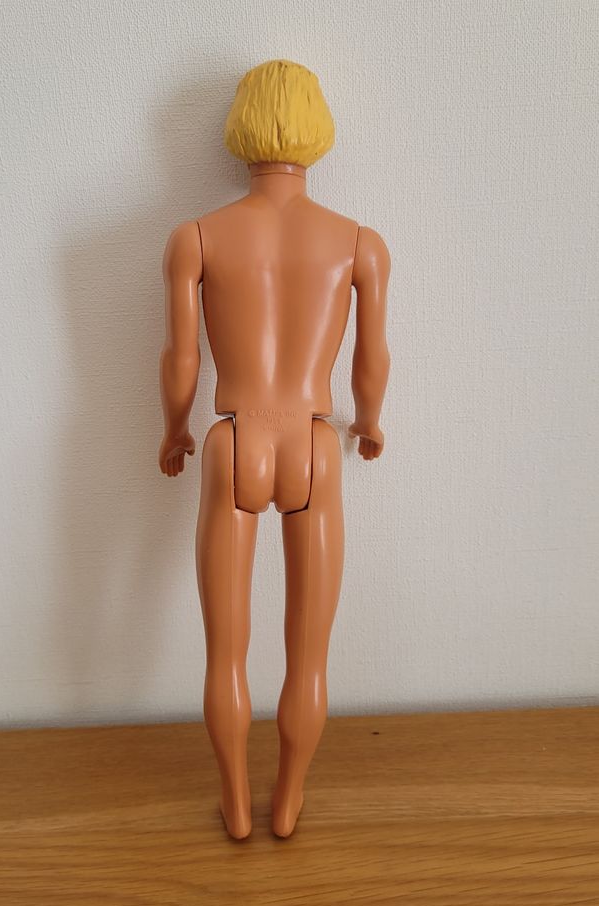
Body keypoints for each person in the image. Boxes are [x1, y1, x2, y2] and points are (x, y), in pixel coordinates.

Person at [159, 60, 390, 839]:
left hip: (234, 442)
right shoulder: (358, 243)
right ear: (317, 128)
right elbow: (372, 358)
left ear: (242, 127)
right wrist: (371, 420)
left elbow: (181, 358)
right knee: (308, 655)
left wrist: (174, 428)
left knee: (224, 653)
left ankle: (235, 801)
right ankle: (286, 801)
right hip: (314, 444)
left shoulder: (196, 237)